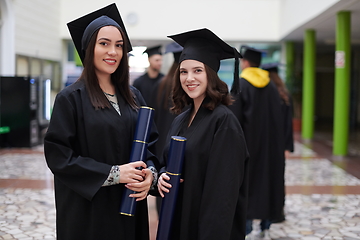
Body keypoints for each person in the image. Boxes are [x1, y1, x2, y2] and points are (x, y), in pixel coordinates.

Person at [44, 4, 159, 240]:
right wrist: (115, 173)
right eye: (104, 43)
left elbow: (151, 144)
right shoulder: (70, 99)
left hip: (131, 208)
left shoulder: (134, 96)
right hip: (90, 213)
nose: (113, 52)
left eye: (119, 46)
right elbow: (59, 156)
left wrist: (150, 173)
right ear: (89, 49)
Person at [157, 28, 249, 240]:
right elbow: (166, 162)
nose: (189, 78)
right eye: (183, 71)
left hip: (203, 229)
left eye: (197, 70)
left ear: (211, 74)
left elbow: (222, 196)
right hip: (177, 220)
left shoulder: (224, 122)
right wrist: (162, 175)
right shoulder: (181, 118)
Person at [236, 46, 285, 239]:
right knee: (268, 183)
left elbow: (237, 120)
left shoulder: (242, 85)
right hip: (270, 147)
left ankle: (246, 230)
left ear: (246, 63)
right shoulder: (271, 86)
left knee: (248, 185)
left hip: (249, 147)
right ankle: (265, 227)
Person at [261, 62, 295, 224]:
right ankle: (277, 211)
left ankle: (265, 209)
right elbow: (289, 123)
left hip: (267, 142)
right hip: (280, 142)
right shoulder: (284, 95)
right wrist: (287, 146)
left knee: (266, 176)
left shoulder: (266, 93)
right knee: (278, 177)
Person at [152, 42, 183, 215]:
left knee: (162, 183)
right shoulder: (186, 87)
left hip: (161, 142)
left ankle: (161, 216)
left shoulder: (161, 84)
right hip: (178, 142)